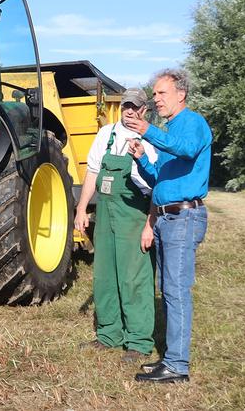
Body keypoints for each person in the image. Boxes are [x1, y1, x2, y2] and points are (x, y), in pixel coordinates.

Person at [122, 68, 212, 384]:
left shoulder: (193, 124)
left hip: (183, 218)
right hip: (166, 218)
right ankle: (171, 359)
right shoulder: (170, 130)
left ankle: (177, 365)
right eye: (155, 94)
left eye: (161, 93)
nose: (156, 98)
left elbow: (186, 149)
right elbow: (158, 179)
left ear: (180, 93)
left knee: (175, 291)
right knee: (169, 289)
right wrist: (141, 159)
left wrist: (147, 130)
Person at [75, 88, 158, 363]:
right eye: (126, 107)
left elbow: (157, 187)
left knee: (134, 279)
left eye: (135, 107)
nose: (129, 112)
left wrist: (150, 224)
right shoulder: (107, 134)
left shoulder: (151, 139)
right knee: (105, 276)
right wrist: (82, 207)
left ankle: (138, 341)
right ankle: (109, 335)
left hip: (133, 216)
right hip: (106, 215)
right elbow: (93, 172)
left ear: (144, 110)